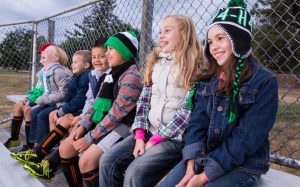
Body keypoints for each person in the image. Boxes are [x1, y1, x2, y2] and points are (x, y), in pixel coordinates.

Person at [160, 1, 279, 187]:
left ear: (239, 39)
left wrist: (204, 176)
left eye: (220, 38)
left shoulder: (264, 82)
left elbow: (246, 139)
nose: (213, 47)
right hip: (204, 155)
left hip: (244, 163)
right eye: (210, 41)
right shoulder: (208, 77)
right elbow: (197, 123)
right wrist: (192, 164)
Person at [99, 14, 204, 187]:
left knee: (134, 173)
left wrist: (155, 140)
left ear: (184, 34)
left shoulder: (195, 65)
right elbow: (143, 102)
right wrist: (140, 134)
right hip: (147, 132)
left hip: (174, 139)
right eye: (160, 31)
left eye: (167, 31)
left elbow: (187, 112)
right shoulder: (156, 62)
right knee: (107, 161)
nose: (161, 35)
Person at [59, 31, 143, 187]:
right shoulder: (110, 75)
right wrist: (83, 125)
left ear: (124, 51)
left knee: (86, 161)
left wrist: (90, 137)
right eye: (107, 49)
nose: (107, 53)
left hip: (124, 127)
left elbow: (116, 116)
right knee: (65, 148)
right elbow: (95, 104)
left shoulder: (131, 76)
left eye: (111, 49)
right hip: (106, 124)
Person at [20, 38, 110, 182]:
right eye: (94, 57)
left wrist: (81, 117)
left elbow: (85, 100)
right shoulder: (94, 75)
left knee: (65, 124)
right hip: (87, 112)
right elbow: (89, 99)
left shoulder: (95, 75)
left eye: (102, 56)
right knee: (56, 117)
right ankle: (42, 156)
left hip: (96, 118)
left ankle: (45, 158)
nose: (97, 60)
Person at [11, 49, 92, 167]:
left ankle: (46, 148)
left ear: (86, 65)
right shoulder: (75, 75)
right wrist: (33, 98)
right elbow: (43, 89)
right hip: (64, 104)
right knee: (34, 112)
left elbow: (70, 96)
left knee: (46, 115)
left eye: (75, 62)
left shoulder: (77, 75)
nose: (72, 64)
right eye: (72, 62)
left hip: (67, 105)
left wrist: (62, 108)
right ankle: (36, 146)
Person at [3, 43, 55, 151]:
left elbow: (48, 92)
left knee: (27, 110)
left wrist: (32, 100)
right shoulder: (43, 71)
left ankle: (29, 146)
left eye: (44, 54)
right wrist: (29, 97)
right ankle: (14, 139)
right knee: (18, 105)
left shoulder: (55, 71)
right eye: (41, 54)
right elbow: (37, 89)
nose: (42, 56)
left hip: (46, 101)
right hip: (38, 99)